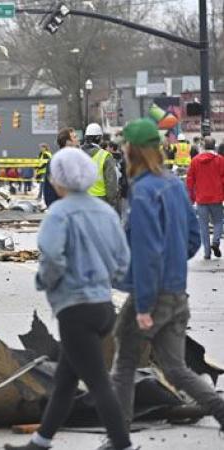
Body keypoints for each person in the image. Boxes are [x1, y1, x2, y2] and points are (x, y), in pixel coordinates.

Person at [5, 148, 134, 450]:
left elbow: (52, 257)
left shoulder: (59, 214)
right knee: (66, 378)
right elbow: (122, 260)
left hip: (74, 308)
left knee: (98, 381)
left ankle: (122, 443)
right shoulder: (105, 213)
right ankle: (41, 440)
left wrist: (44, 281)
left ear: (59, 180)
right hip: (103, 306)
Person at [111, 118, 224, 433]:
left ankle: (118, 434)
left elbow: (146, 252)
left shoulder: (143, 191)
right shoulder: (173, 184)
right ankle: (221, 410)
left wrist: (144, 306)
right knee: (175, 368)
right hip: (176, 290)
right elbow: (193, 237)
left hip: (151, 295)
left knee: (123, 366)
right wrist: (175, 262)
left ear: (133, 151)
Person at [186, 136, 224, 259]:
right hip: (216, 198)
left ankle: (207, 253)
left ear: (203, 146)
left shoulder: (195, 161)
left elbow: (190, 180)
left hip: (201, 198)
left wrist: (191, 197)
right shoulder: (220, 160)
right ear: (214, 146)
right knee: (218, 221)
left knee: (203, 226)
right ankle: (216, 241)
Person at [82, 123, 119, 210]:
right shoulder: (105, 155)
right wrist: (111, 201)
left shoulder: (77, 153)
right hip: (101, 200)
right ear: (98, 138)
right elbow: (111, 182)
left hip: (82, 199)